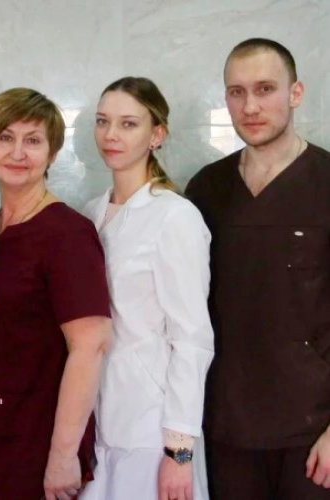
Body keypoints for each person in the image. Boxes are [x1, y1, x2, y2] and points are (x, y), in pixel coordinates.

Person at [186, 38, 330, 499]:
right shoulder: (207, 189)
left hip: (313, 433)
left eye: (265, 89)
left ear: (296, 93)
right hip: (227, 427)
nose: (250, 106)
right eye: (237, 92)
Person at [0, 87, 112, 500]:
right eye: (5, 137)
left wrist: (63, 456)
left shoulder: (67, 234)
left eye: (32, 140)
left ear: (52, 153)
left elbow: (90, 346)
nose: (17, 152)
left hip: (36, 445)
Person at [80, 76, 214, 500]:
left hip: (153, 430)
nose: (111, 135)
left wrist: (179, 451)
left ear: (157, 135)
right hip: (97, 419)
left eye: (128, 124)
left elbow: (192, 339)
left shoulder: (175, 217)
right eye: (102, 121)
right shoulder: (90, 213)